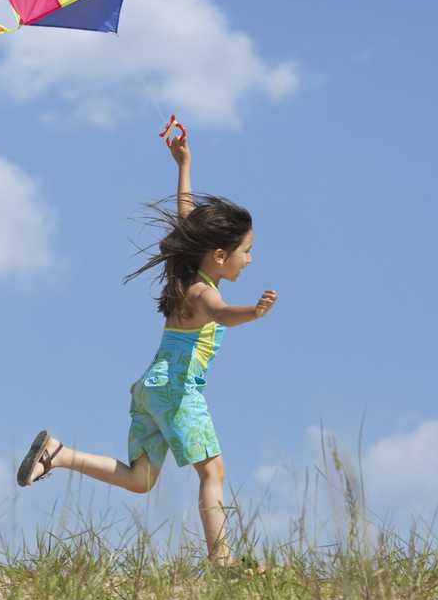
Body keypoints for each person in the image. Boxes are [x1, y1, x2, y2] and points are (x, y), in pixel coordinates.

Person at [16, 129, 278, 565]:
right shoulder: (201, 294)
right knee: (212, 471)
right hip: (176, 390)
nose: (249, 258)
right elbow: (222, 313)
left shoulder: (189, 272)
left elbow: (185, 220)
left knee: (140, 480)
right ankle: (223, 562)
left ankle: (58, 454)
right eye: (246, 251)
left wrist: (184, 166)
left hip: (150, 388)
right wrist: (254, 312)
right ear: (218, 255)